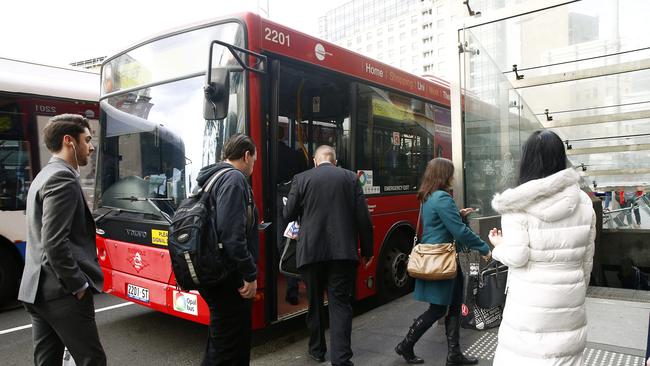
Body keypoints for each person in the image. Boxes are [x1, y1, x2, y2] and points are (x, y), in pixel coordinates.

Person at [488, 129, 596, 365]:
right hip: (569, 302)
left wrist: (498, 245)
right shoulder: (584, 202)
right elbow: (587, 259)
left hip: (529, 306)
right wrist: (575, 289)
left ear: (526, 160)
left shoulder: (515, 205)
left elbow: (517, 256)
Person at [18, 114, 106, 365]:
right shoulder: (63, 177)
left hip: (36, 291)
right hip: (62, 293)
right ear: (69, 141)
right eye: (87, 139)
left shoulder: (44, 175)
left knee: (47, 362)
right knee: (93, 360)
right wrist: (78, 285)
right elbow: (54, 241)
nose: (90, 146)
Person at [395, 157, 491, 365]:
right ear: (444, 175)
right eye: (450, 173)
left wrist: (458, 214)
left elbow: (442, 223)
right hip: (442, 260)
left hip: (441, 259)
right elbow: (459, 231)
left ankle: (454, 354)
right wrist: (484, 248)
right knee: (438, 309)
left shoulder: (428, 197)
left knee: (455, 305)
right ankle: (406, 345)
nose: (453, 176)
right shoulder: (442, 198)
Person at [283, 145, 373, 366]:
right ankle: (341, 358)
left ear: (315, 160)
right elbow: (363, 218)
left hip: (310, 252)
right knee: (340, 304)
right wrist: (368, 251)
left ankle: (316, 350)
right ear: (335, 161)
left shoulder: (301, 179)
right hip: (342, 253)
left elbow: (288, 214)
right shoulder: (351, 179)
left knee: (314, 302)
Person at [195, 133, 259, 366]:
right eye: (254, 159)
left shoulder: (210, 177)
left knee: (220, 342)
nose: (254, 164)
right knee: (230, 348)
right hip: (228, 276)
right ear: (246, 155)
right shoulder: (235, 179)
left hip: (212, 270)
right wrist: (250, 275)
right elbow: (232, 236)